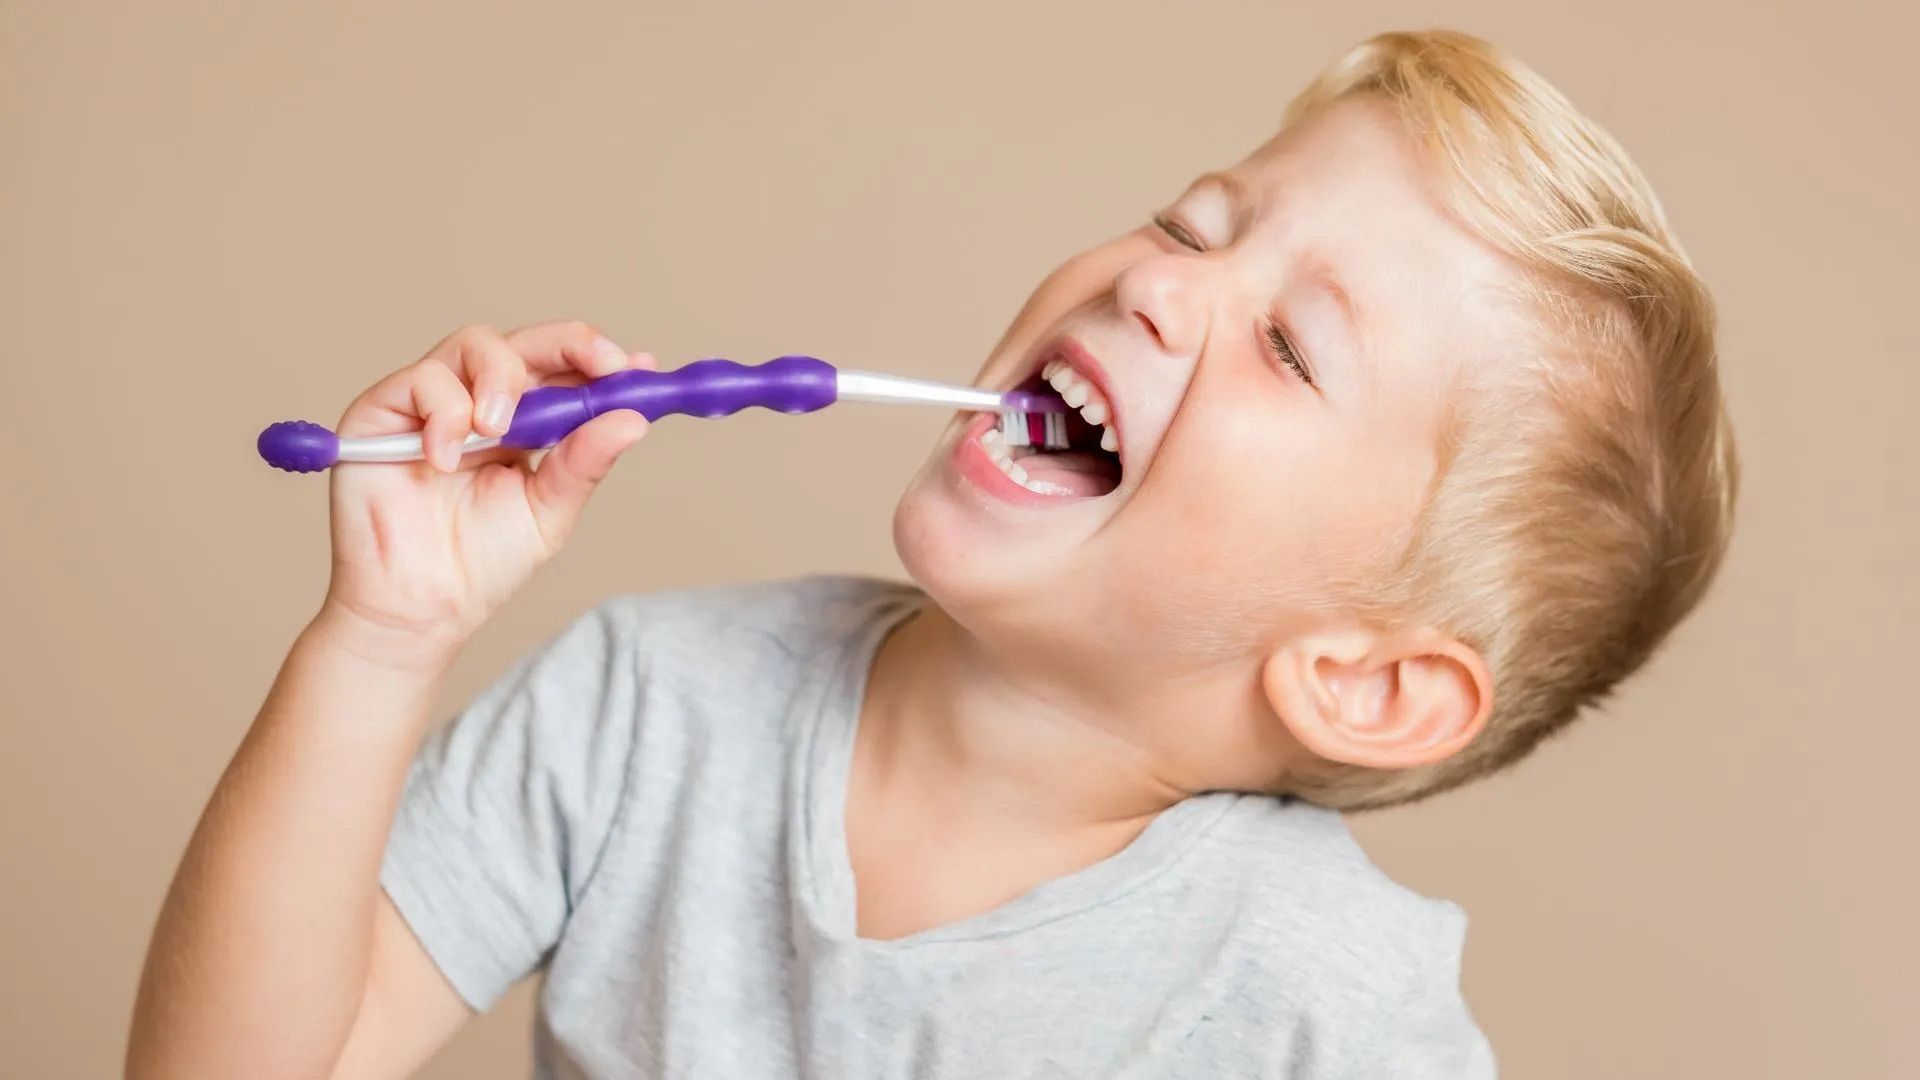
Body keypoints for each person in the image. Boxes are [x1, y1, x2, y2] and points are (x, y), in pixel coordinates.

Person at [129, 28, 1735, 1079]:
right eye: (1194, 226)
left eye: (1295, 349)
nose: (1161, 290)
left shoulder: (1327, 1006)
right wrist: (385, 635)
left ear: (1367, 683)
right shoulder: (649, 709)